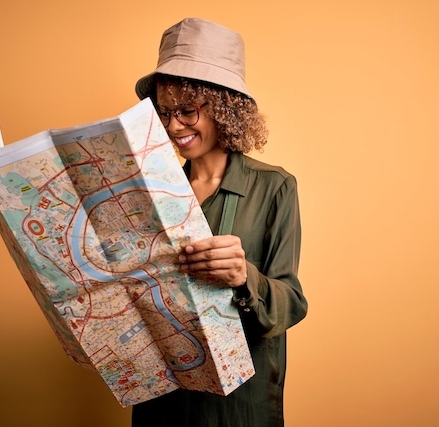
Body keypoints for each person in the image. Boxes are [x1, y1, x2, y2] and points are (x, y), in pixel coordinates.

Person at [132, 17, 308, 427]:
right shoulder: (146, 190)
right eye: (165, 112)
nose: (174, 125)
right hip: (161, 402)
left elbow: (292, 303)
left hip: (236, 409)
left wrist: (243, 275)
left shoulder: (276, 187)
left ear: (225, 107)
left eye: (187, 110)